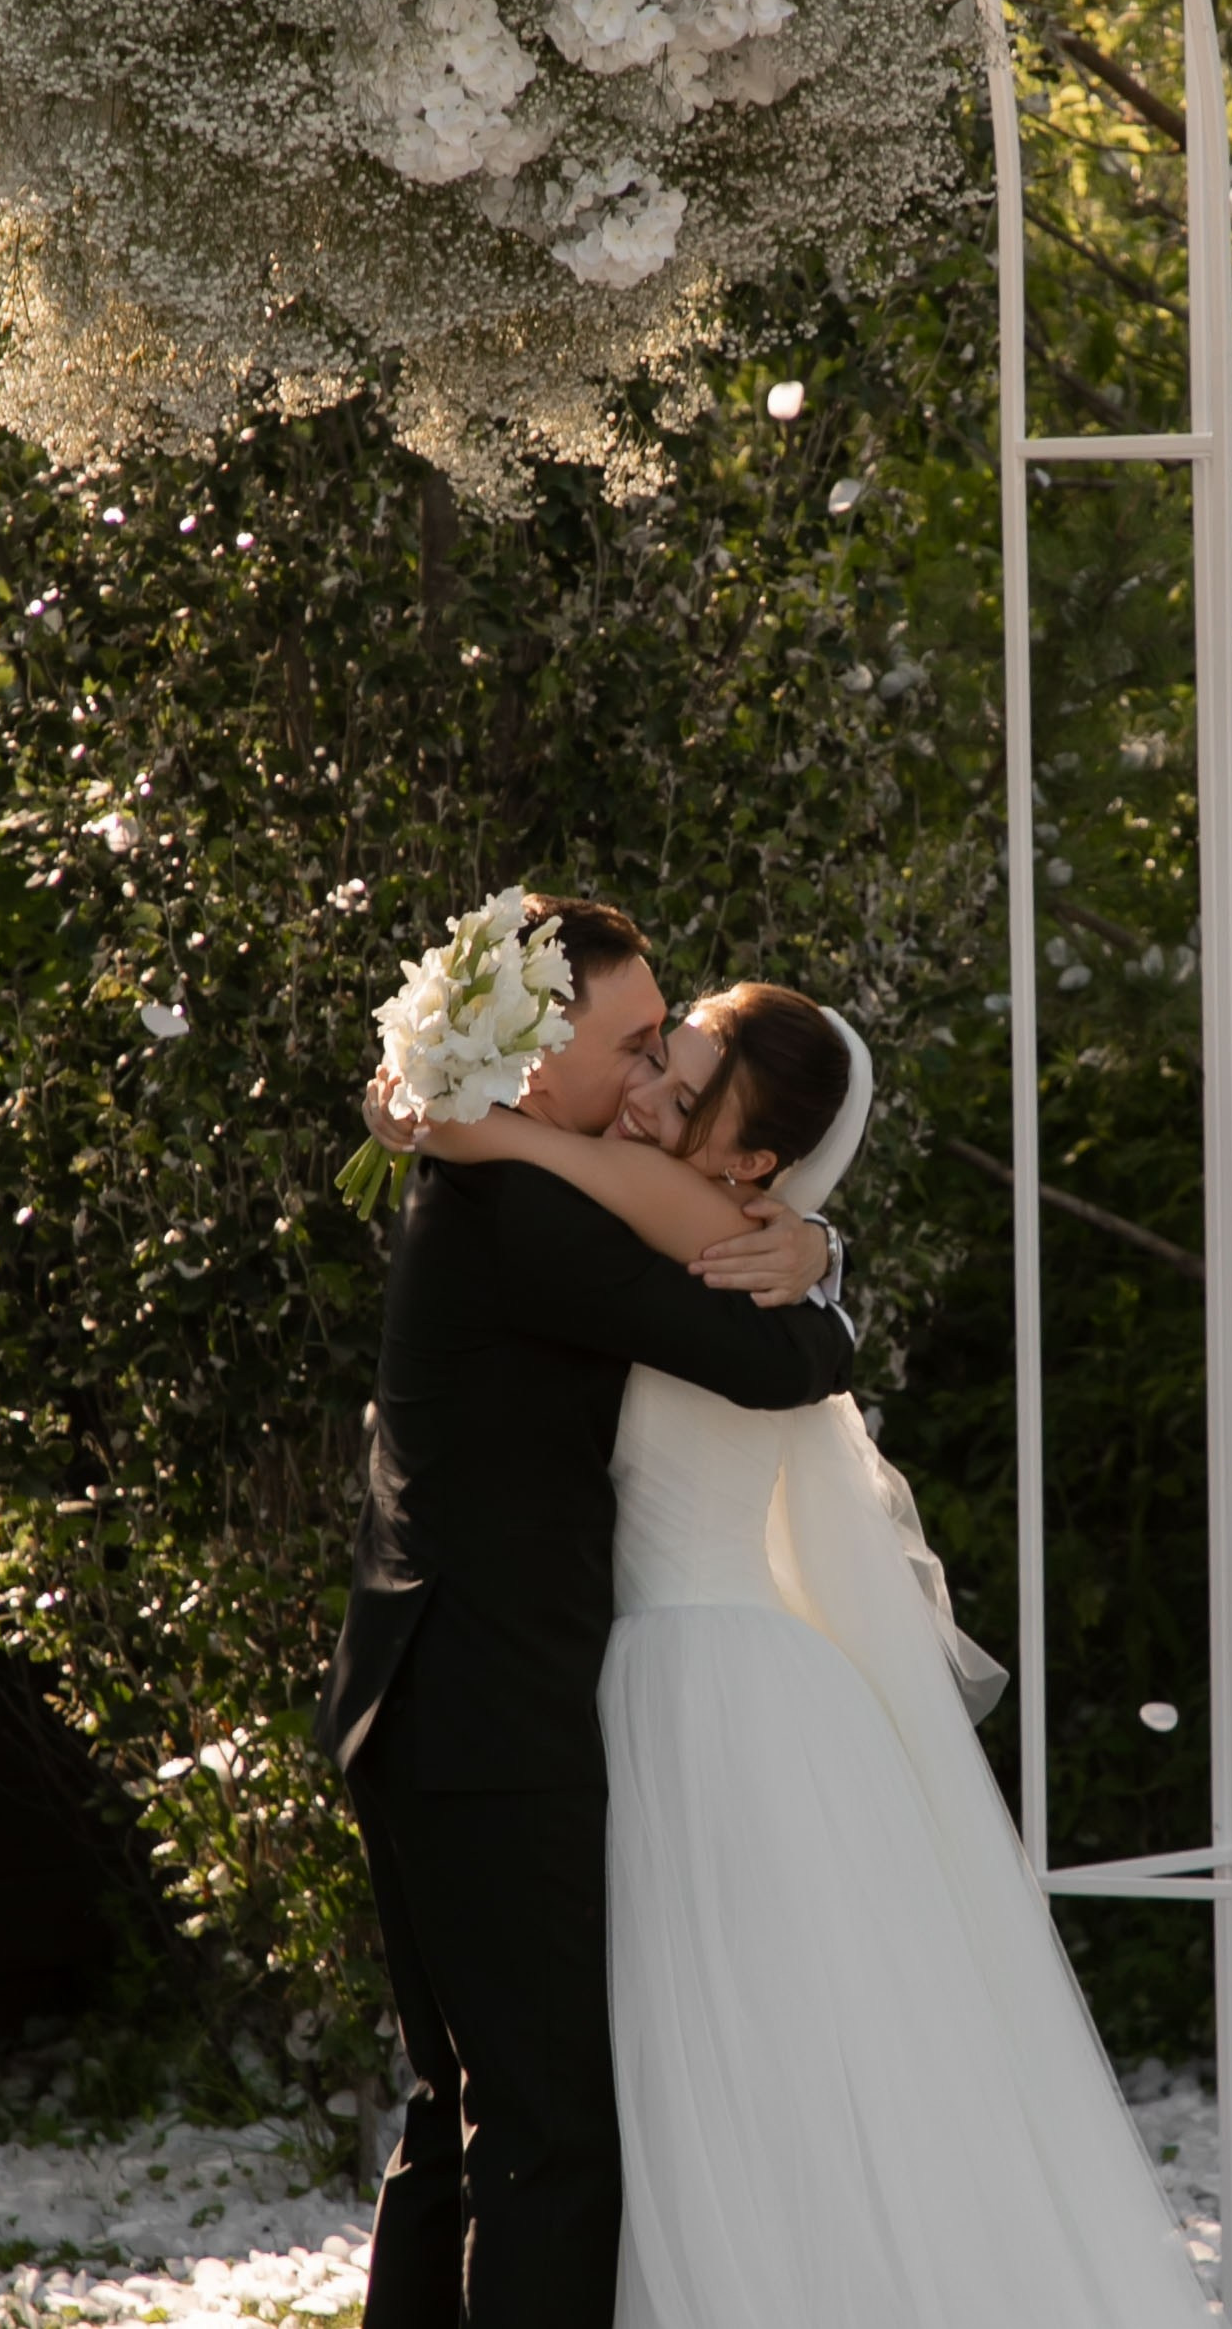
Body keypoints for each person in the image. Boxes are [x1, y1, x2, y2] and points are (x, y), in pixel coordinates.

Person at [422, 985, 1215, 2329]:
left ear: (754, 1160)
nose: (648, 1091)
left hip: (696, 1685)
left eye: (685, 1085)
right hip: (724, 1675)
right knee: (761, 2068)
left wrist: (461, 1118)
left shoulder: (698, 1227)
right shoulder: (729, 1229)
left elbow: (558, 1163)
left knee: (734, 2067)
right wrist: (823, 1248)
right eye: (659, 1057)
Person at [315, 898, 855, 2329]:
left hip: (415, 1691)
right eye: (635, 1044)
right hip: (491, 1714)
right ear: (535, 1048)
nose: (647, 1075)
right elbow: (773, 1365)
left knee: (461, 2112)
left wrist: (816, 1249)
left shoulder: (499, 1175)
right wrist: (819, 1288)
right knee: (548, 2137)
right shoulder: (532, 1212)